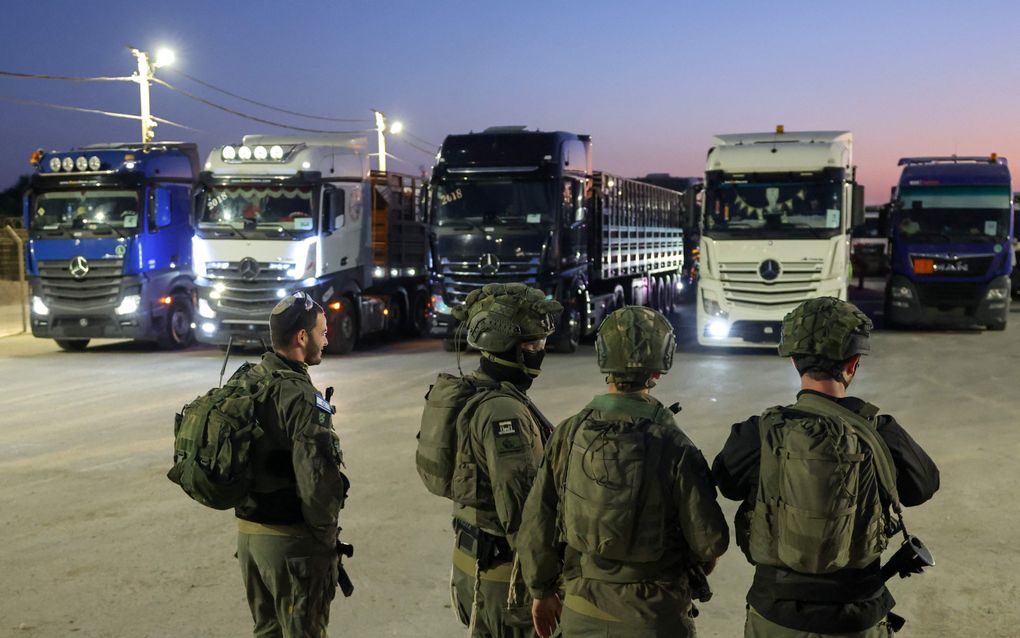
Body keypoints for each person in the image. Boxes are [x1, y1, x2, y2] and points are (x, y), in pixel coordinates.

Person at [712, 297, 940, 638]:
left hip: (776, 613)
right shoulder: (880, 432)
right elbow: (924, 486)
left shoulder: (757, 433)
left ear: (793, 362)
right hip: (855, 616)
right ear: (853, 364)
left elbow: (726, 483)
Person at [518, 306, 730, 638]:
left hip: (581, 612)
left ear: (604, 359)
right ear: (659, 369)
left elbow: (537, 523)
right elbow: (710, 542)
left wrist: (541, 592)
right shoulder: (674, 444)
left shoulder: (567, 433)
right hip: (655, 618)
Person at [433, 283, 563, 638]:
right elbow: (522, 512)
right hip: (505, 581)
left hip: (473, 561)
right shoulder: (504, 412)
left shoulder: (477, 389)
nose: (540, 353)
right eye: (532, 346)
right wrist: (543, 587)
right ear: (504, 347)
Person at [235, 291, 347, 637]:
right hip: (289, 544)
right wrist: (326, 540)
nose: (326, 339)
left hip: (249, 538)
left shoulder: (248, 380)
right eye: (322, 332)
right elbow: (317, 480)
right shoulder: (301, 397)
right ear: (302, 337)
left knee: (266, 631)